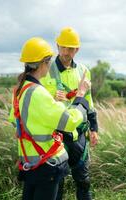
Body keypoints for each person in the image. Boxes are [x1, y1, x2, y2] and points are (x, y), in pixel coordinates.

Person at [10, 37, 91, 200]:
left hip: (29, 161)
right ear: (43, 63)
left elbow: (15, 120)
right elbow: (70, 122)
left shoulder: (21, 89)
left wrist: (54, 106)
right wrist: (80, 96)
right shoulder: (39, 93)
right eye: (49, 61)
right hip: (46, 164)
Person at [40, 27, 98, 200]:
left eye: (71, 48)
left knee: (83, 180)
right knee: (58, 184)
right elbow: (36, 99)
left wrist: (94, 128)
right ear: (57, 46)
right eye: (63, 47)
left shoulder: (84, 71)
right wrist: (51, 97)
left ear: (77, 50)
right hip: (55, 135)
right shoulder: (45, 69)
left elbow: (88, 100)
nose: (66, 52)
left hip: (78, 134)